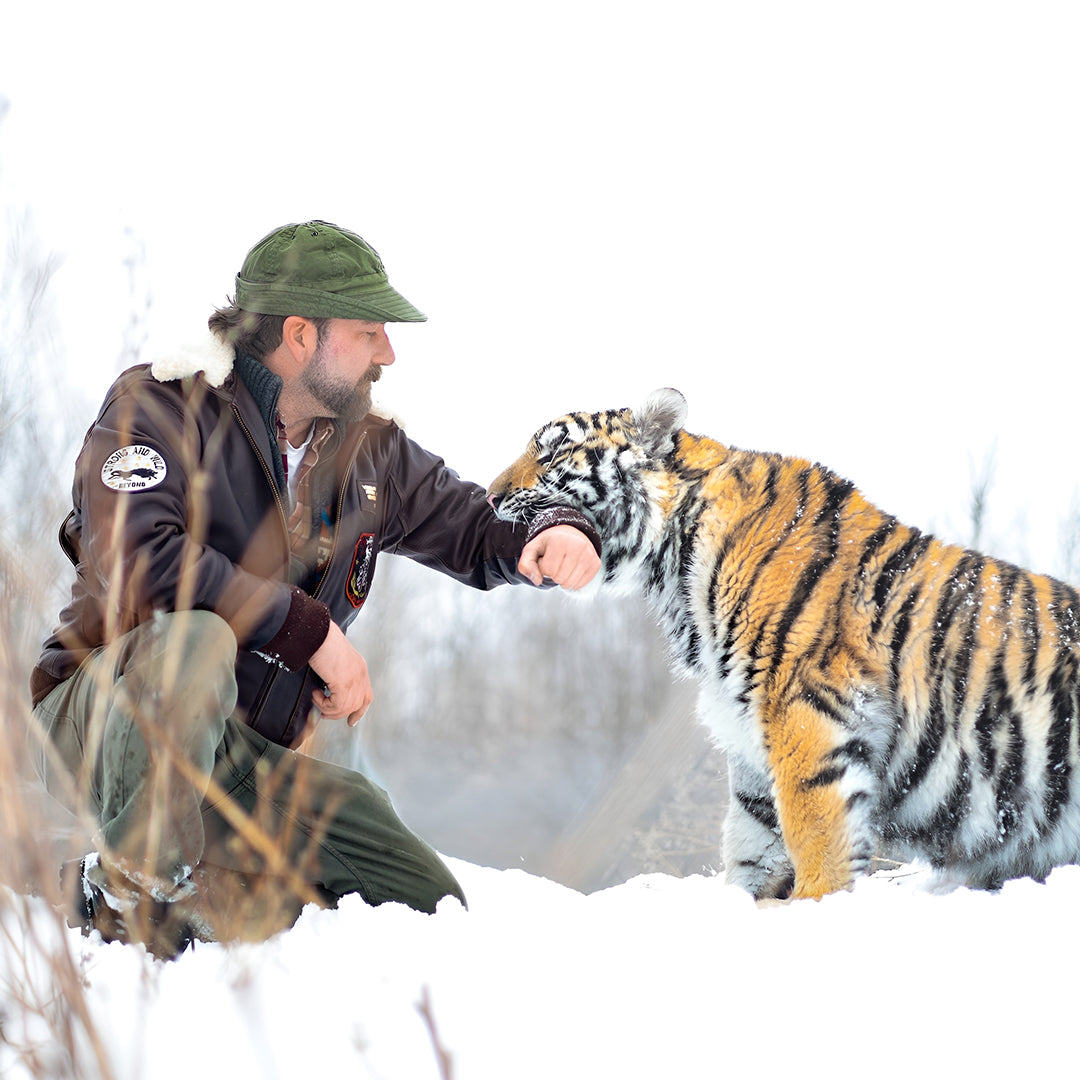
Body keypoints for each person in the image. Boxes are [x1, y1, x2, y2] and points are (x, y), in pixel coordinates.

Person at [28, 220, 601, 958]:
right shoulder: (159, 406)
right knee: (191, 641)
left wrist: (551, 529)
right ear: (300, 335)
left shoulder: (371, 451)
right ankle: (131, 886)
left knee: (421, 898)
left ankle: (68, 871)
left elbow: (478, 527)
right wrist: (313, 633)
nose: (388, 354)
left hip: (236, 755)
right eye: (369, 333)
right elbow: (143, 559)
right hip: (104, 712)